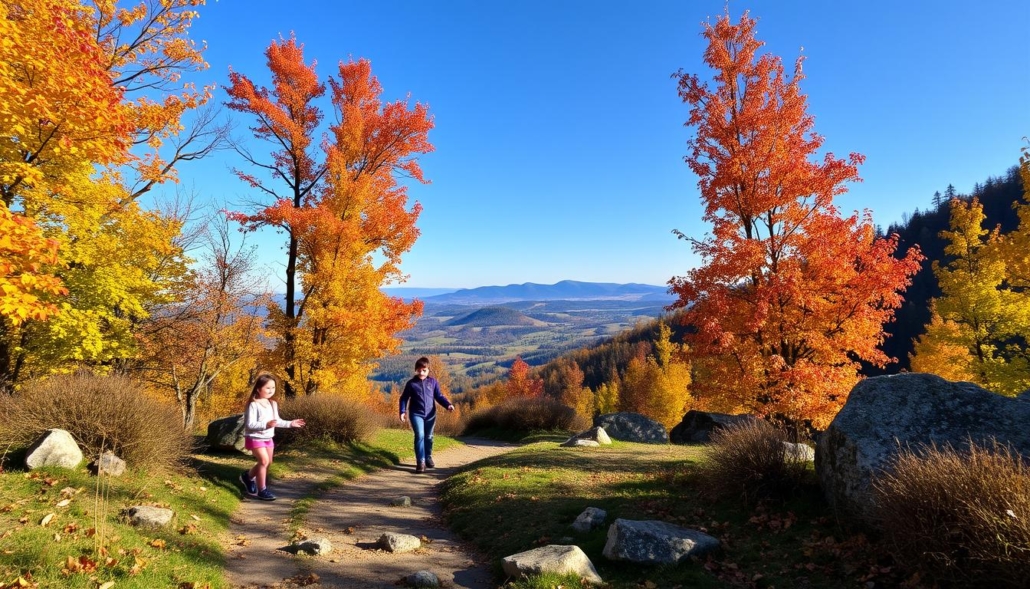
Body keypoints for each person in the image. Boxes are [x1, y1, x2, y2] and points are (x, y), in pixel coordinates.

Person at [239, 373, 305, 500]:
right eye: (267, 388)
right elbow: (250, 424)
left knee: (268, 463)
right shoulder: (253, 404)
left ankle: (247, 477)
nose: (271, 391)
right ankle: (262, 490)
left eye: (273, 388)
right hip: (254, 437)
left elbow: (277, 421)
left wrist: (291, 423)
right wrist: (266, 424)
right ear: (258, 389)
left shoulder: (272, 403)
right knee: (263, 461)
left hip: (268, 438)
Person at [399, 357, 454, 473]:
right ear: (415, 370)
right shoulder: (411, 384)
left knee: (429, 437)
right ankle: (421, 462)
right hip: (416, 414)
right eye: (419, 370)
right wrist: (402, 411)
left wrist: (448, 405)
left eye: (424, 370)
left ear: (428, 370)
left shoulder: (433, 382)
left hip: (430, 415)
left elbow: (439, 396)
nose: (421, 372)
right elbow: (404, 398)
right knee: (420, 435)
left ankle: (428, 456)